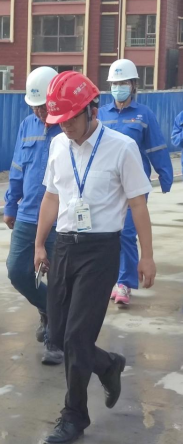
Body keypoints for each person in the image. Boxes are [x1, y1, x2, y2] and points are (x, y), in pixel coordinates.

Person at [34, 71, 156, 444]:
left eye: (71, 117)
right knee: (57, 334)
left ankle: (75, 416)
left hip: (101, 251)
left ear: (92, 110)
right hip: (64, 246)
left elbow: (138, 204)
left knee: (76, 337)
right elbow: (51, 196)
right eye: (59, 119)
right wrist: (40, 244)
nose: (65, 125)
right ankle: (107, 364)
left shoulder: (122, 148)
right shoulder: (58, 146)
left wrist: (147, 256)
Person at [98, 59, 172, 306]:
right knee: (108, 234)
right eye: (114, 83)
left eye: (123, 83)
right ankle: (108, 278)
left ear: (133, 85)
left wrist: (165, 175)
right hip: (107, 186)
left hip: (134, 185)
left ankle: (124, 283)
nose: (118, 87)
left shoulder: (144, 115)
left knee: (127, 234)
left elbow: (156, 147)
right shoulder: (101, 114)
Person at [4, 66, 63, 365]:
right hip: (28, 214)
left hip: (60, 218)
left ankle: (56, 337)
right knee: (17, 271)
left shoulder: (69, 126)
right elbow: (17, 166)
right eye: (35, 106)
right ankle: (49, 310)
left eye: (43, 106)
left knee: (57, 279)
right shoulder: (27, 125)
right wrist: (10, 204)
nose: (39, 112)